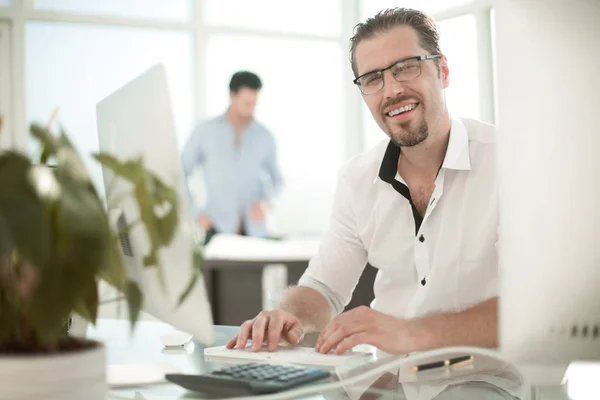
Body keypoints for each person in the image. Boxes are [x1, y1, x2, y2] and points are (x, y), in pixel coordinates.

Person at [227, 8, 516, 400]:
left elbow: (535, 303)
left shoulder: (510, 162)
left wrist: (411, 331)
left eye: (406, 68)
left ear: (443, 71)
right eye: (373, 79)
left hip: (482, 381)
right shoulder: (357, 180)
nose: (392, 90)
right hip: (385, 380)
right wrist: (288, 316)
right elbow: (324, 288)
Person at [182, 71, 283, 244]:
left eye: (254, 103)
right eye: (246, 103)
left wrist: (266, 203)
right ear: (232, 96)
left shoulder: (265, 136)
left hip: (255, 232)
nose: (251, 109)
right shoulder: (205, 132)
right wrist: (195, 212)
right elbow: (181, 171)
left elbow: (278, 181)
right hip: (215, 231)